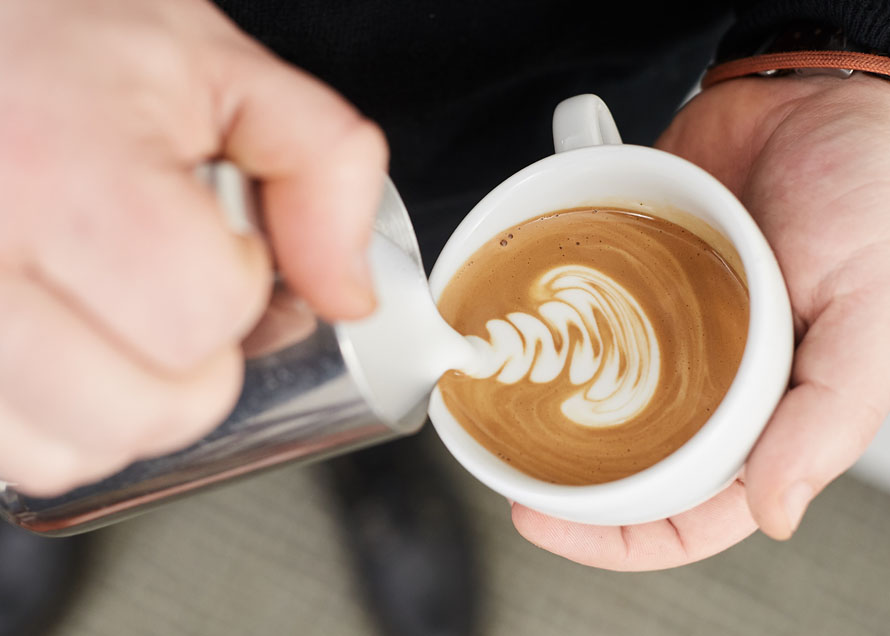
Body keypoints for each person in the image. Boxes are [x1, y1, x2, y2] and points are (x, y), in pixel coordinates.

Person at [1, 0, 888, 634]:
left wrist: (836, 41)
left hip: (526, 84)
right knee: (58, 322)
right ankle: (32, 484)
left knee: (393, 348)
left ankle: (369, 454)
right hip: (87, 110)